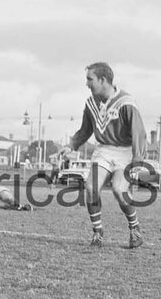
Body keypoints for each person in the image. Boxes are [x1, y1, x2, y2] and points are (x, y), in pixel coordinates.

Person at [57, 61, 147, 249]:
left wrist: (137, 159)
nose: (87, 84)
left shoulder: (126, 102)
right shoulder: (90, 103)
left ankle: (134, 228)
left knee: (118, 190)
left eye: (90, 79)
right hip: (104, 150)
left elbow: (138, 131)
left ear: (103, 79)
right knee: (90, 188)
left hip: (125, 152)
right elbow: (85, 130)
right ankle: (98, 233)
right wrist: (71, 145)